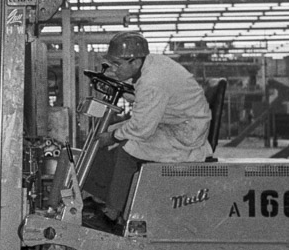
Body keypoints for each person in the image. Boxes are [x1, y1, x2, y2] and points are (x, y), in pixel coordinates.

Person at [82, 32, 212, 226]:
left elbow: (142, 128)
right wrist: (116, 78)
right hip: (173, 121)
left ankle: (112, 214)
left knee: (127, 147)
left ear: (134, 62)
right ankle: (100, 197)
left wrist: (112, 137)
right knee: (108, 133)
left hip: (185, 133)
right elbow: (139, 93)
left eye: (117, 64)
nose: (114, 69)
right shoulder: (149, 65)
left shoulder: (153, 82)